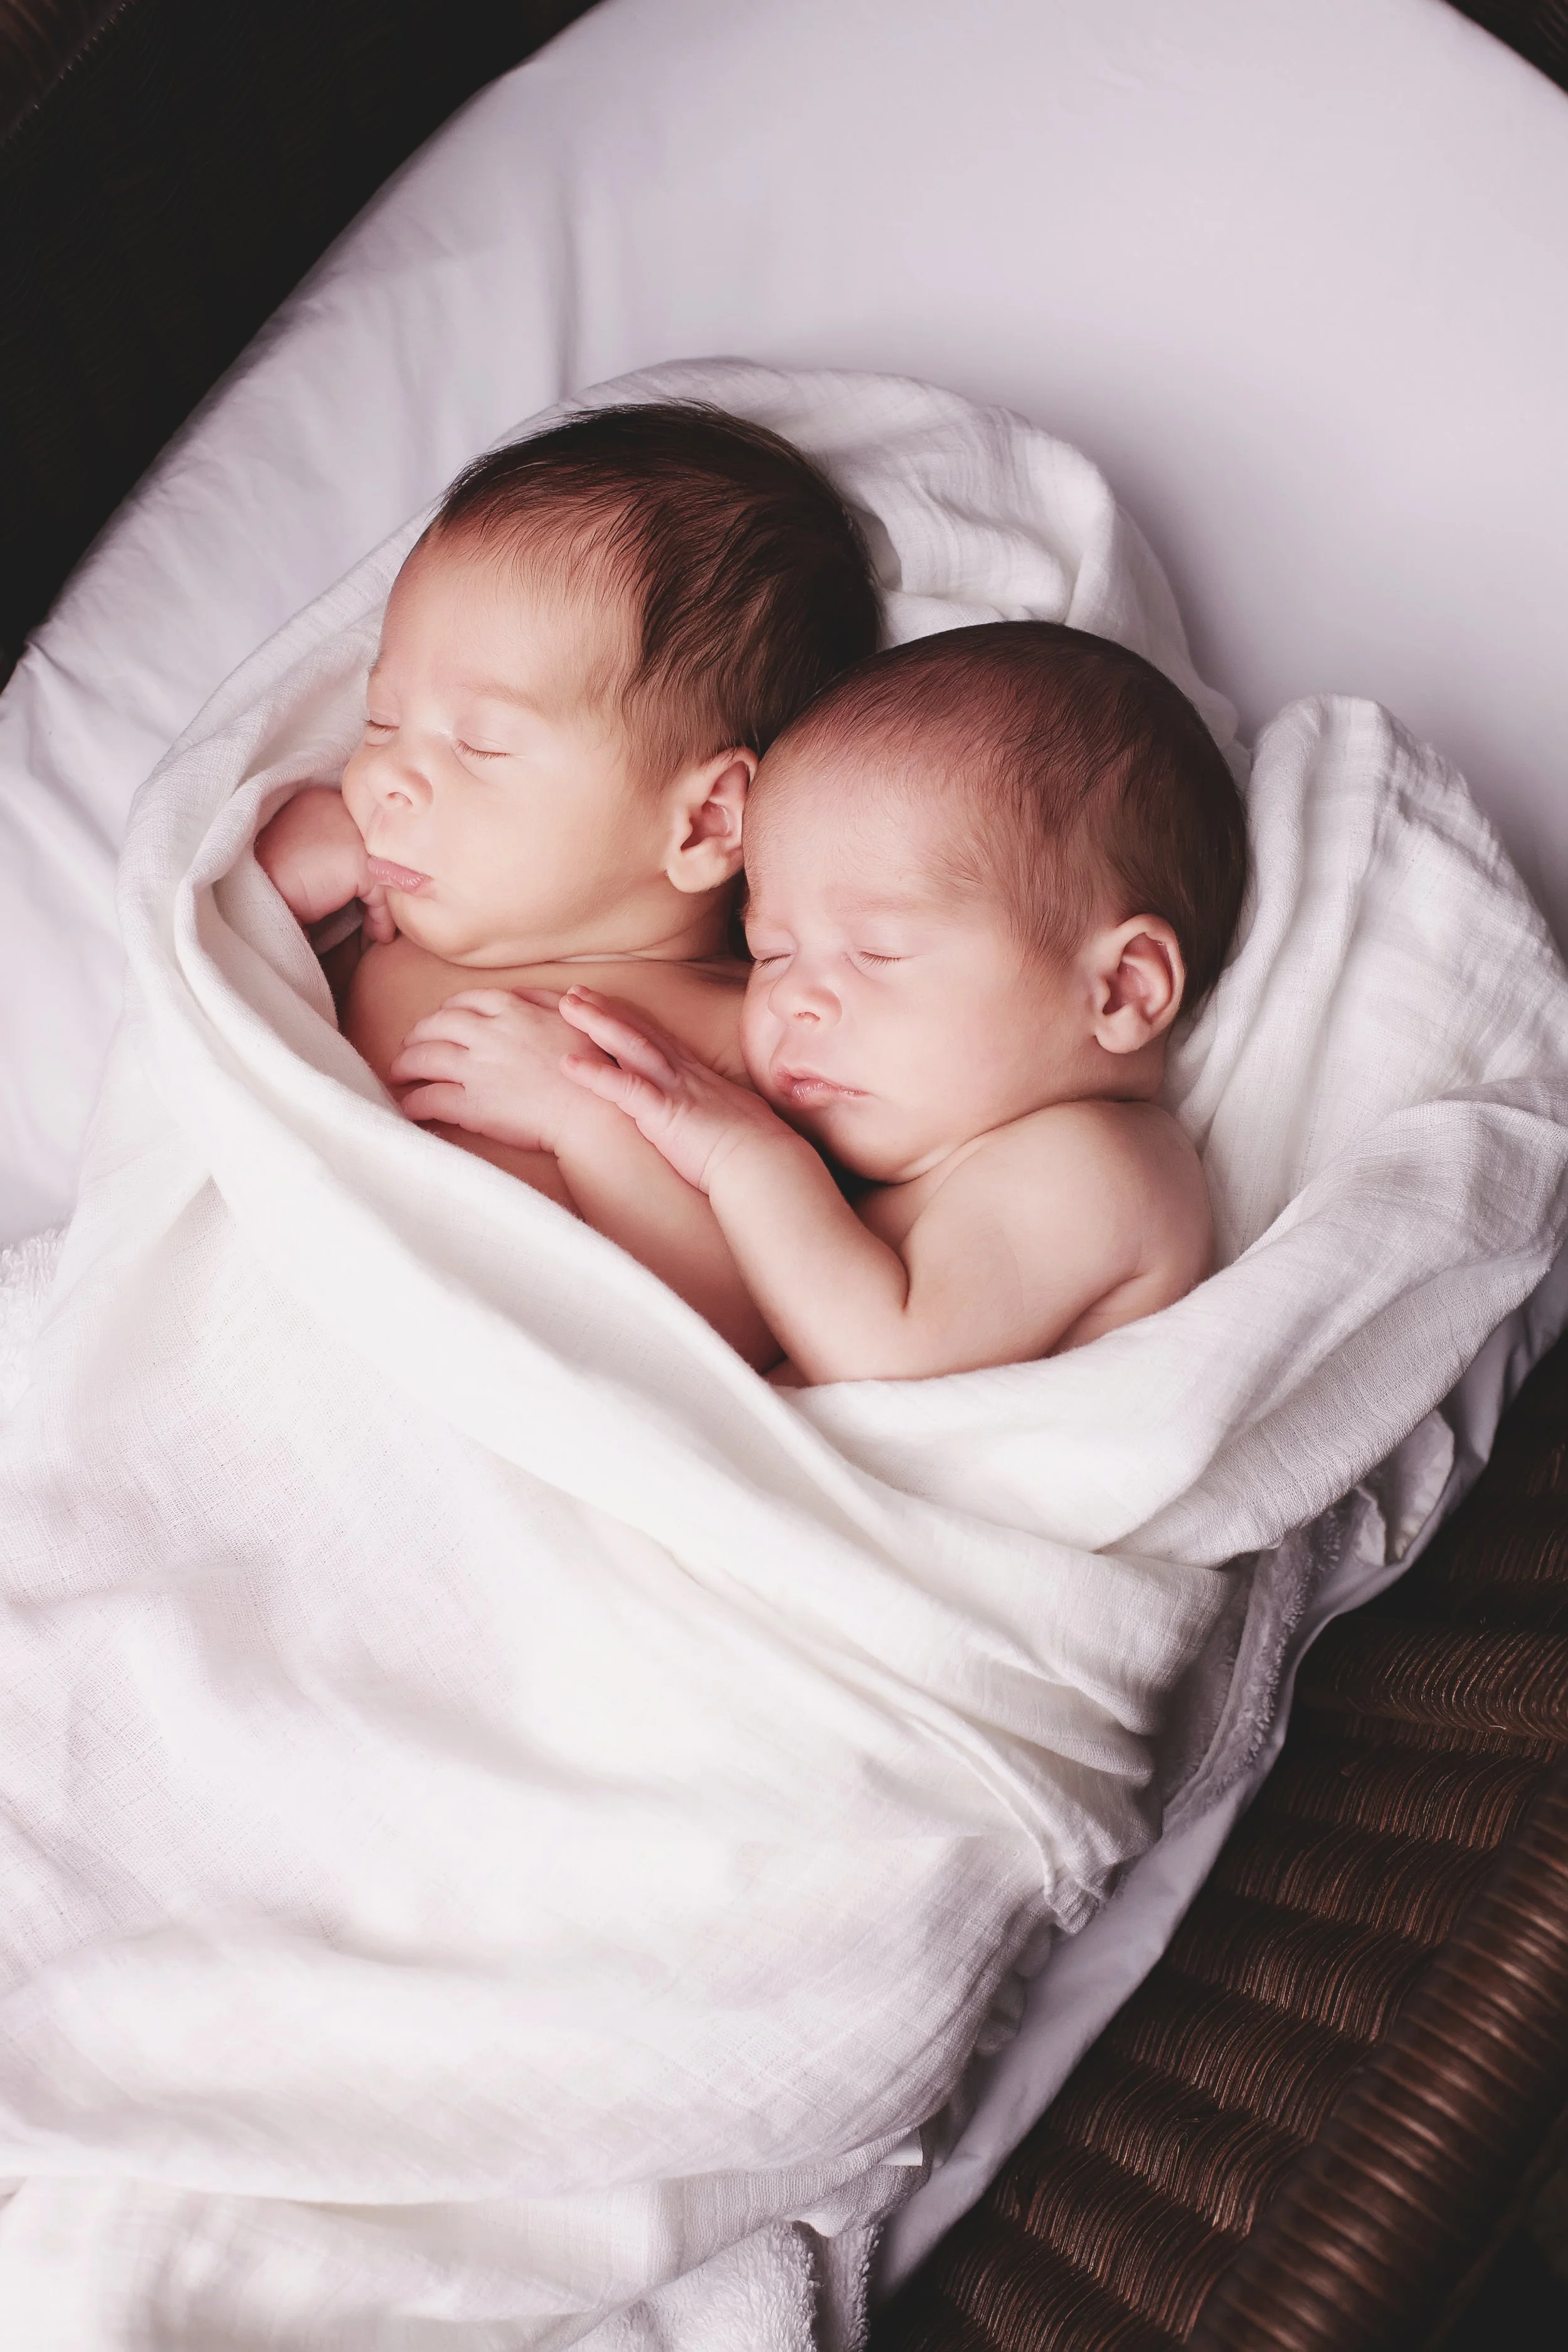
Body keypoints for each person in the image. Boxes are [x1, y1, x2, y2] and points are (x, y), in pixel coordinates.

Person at [417, 623, 1248, 1381]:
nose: (792, 999)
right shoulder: (918, 1153)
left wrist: (744, 1157)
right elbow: (735, 1314)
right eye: (770, 952)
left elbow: (887, 1355)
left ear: (1122, 988)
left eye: (877, 951)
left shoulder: (1103, 1169)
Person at [254, 403, 880, 1367]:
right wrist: (269, 893)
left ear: (705, 824)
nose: (383, 777)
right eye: (381, 720)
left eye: (480, 744)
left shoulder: (745, 1037)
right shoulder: (376, 925)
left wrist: (583, 1120)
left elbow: (745, 1324)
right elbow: (226, 1027)